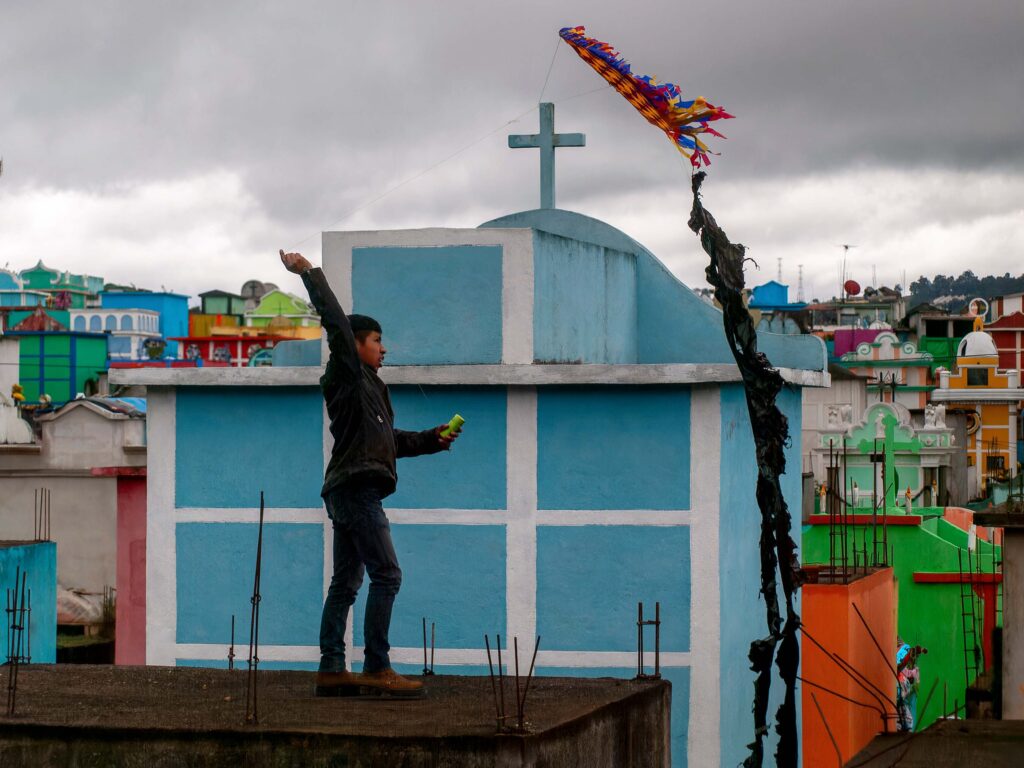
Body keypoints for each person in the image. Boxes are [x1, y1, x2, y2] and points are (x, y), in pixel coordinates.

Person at [280, 249, 460, 698]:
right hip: (357, 491)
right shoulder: (347, 374)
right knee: (388, 575)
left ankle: (332, 669)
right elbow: (336, 324)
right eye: (377, 340)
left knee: (346, 582)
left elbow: (389, 443)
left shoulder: (371, 391)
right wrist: (309, 273)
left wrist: (432, 440)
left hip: (348, 487)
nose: (385, 348)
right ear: (357, 344)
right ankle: (377, 666)